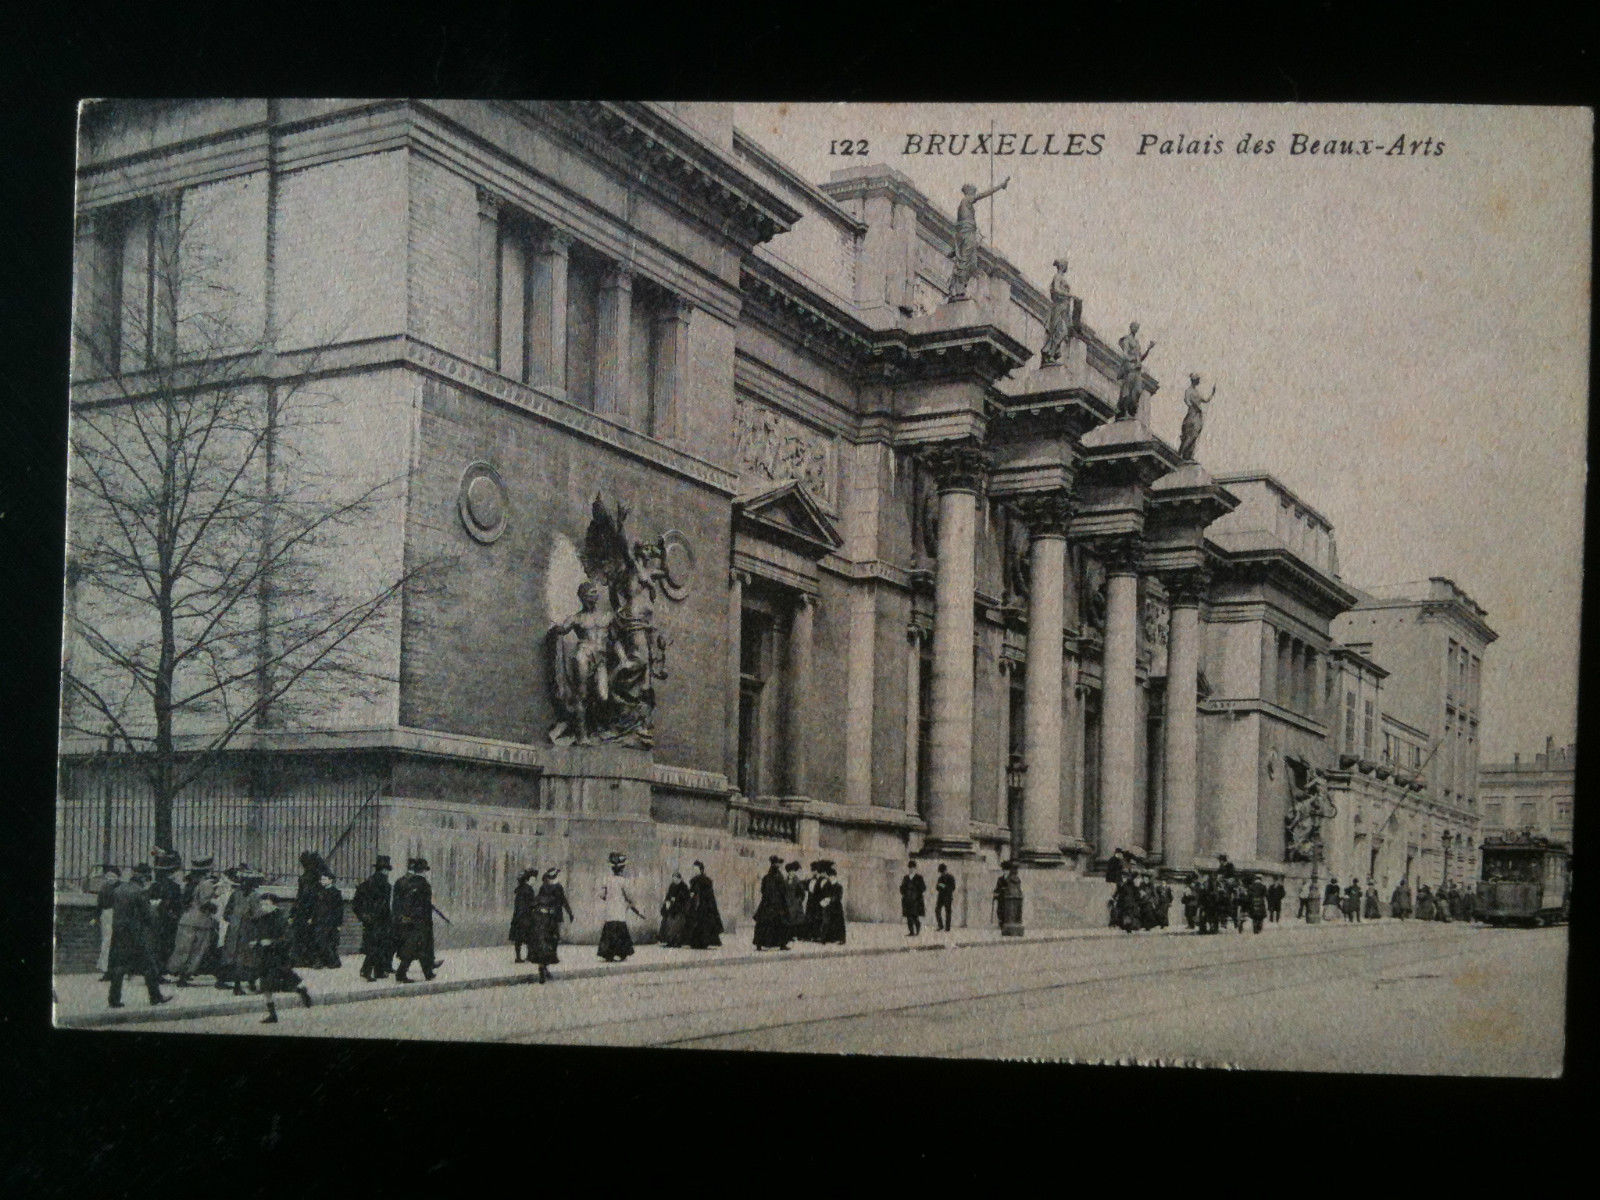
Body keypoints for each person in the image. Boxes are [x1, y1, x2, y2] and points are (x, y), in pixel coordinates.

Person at [107, 864, 170, 1009]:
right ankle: (155, 997)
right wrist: (155, 908)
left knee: (119, 967)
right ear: (143, 877)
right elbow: (149, 916)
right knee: (149, 966)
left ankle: (114, 999)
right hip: (136, 934)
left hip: (119, 932)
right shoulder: (140, 892)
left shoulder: (118, 890)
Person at [251, 890, 312, 1024]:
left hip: (279, 957)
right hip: (265, 957)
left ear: (275, 905)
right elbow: (260, 935)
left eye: (266, 904)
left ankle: (301, 990)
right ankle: (272, 1015)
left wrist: (271, 942)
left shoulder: (280, 919)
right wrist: (256, 942)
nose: (263, 907)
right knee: (266, 986)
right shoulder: (261, 918)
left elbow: (288, 938)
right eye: (261, 904)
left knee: (286, 982)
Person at [947, 177, 1009, 297]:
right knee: (967, 262)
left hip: (965, 234)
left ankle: (960, 288)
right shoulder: (966, 200)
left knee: (969, 262)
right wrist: (1000, 186)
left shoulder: (962, 205)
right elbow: (984, 194)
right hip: (967, 234)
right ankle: (959, 289)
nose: (974, 195)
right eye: (973, 193)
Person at [393, 858, 441, 983]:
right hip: (421, 922)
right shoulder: (424, 885)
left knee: (419, 948)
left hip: (409, 921)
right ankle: (401, 974)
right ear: (424, 871)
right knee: (417, 948)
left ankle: (428, 973)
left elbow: (404, 903)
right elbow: (424, 906)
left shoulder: (407, 883)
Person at [352, 856, 395, 981]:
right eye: (386, 870)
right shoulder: (384, 886)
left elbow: (356, 904)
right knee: (377, 947)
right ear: (384, 871)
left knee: (376, 946)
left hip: (372, 920)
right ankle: (367, 971)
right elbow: (385, 906)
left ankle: (378, 971)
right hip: (380, 920)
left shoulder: (366, 884)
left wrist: (363, 916)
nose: (386, 873)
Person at [221, 869, 264, 995]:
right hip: (248, 929)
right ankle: (246, 984)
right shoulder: (255, 896)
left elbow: (226, 914)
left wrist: (234, 919)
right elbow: (256, 915)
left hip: (234, 929)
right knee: (249, 957)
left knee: (235, 957)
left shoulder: (235, 894)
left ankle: (239, 984)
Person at [529, 867, 573, 983]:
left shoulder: (543, 888)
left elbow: (536, 902)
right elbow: (563, 901)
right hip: (554, 918)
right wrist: (570, 913)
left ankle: (543, 966)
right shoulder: (558, 887)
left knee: (544, 941)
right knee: (553, 941)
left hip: (543, 919)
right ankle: (545, 966)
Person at [597, 852, 644, 962]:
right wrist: (631, 904)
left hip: (609, 910)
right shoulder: (624, 881)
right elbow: (629, 896)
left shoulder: (606, 879)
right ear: (622, 869)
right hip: (619, 910)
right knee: (620, 929)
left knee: (609, 929)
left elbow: (601, 894)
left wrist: (609, 899)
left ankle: (608, 953)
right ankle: (621, 953)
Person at [289, 851, 330, 968]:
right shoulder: (306, 877)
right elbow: (300, 895)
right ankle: (307, 959)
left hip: (313, 908)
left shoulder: (317, 877)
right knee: (305, 934)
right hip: (305, 908)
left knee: (313, 934)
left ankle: (314, 959)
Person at [753, 855, 792, 950]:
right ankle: (782, 944)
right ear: (777, 864)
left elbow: (762, 890)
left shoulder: (766, 877)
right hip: (777, 905)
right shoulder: (779, 876)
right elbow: (783, 890)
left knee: (763, 923)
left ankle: (759, 944)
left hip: (766, 904)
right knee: (780, 923)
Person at [685, 860, 723, 949]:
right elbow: (692, 891)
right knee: (695, 924)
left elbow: (708, 894)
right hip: (695, 905)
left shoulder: (706, 881)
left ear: (701, 870)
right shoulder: (693, 881)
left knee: (703, 924)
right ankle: (695, 942)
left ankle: (703, 942)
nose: (694, 870)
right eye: (693, 869)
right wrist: (691, 895)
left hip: (704, 906)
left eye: (696, 869)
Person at [94, 865, 121, 980]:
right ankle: (106, 970)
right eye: (108, 876)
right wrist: (95, 917)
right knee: (106, 942)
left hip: (119, 915)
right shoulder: (103, 888)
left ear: (118, 877)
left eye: (113, 876)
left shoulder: (121, 888)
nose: (110, 879)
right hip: (106, 916)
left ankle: (119, 970)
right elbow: (99, 904)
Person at [312, 873, 344, 968]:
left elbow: (339, 910)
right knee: (319, 940)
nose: (322, 881)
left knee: (329, 942)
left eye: (324, 879)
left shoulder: (336, 892)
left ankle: (332, 962)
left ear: (330, 880)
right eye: (321, 880)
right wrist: (313, 918)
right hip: (319, 920)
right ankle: (320, 962)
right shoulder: (319, 892)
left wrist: (338, 924)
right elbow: (316, 907)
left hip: (330, 921)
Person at [510, 867, 539, 963]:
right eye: (534, 879)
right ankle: (529, 956)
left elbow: (520, 904)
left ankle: (518, 957)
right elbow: (531, 903)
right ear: (529, 879)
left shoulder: (520, 889)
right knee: (530, 937)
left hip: (518, 916)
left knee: (519, 939)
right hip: (526, 917)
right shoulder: (528, 890)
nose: (535, 881)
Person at [659, 870, 690, 948]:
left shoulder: (684, 886)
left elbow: (686, 898)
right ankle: (670, 941)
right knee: (669, 925)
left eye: (676, 879)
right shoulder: (672, 886)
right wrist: (667, 902)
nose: (675, 880)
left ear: (680, 879)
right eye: (673, 879)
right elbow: (668, 895)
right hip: (671, 909)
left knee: (677, 927)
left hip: (680, 910)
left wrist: (676, 899)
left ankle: (677, 942)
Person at [817, 863, 847, 944]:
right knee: (826, 922)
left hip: (836, 907)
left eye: (832, 876)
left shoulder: (839, 886)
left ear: (835, 877)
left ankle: (842, 939)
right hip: (828, 907)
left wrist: (830, 899)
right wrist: (823, 900)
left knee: (839, 923)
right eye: (829, 877)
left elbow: (838, 897)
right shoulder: (827, 885)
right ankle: (825, 939)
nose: (831, 878)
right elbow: (822, 894)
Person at [899, 860, 927, 937]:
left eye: (913, 868)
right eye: (910, 868)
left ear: (915, 868)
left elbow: (923, 888)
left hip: (916, 900)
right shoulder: (906, 878)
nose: (911, 869)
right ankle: (911, 932)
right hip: (907, 900)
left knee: (915, 916)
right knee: (909, 917)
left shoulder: (919, 877)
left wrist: (917, 891)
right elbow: (902, 888)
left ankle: (917, 930)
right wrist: (904, 892)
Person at [784, 861, 808, 941]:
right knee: (789, 919)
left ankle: (799, 936)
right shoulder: (785, 881)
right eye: (790, 871)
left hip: (796, 903)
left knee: (798, 920)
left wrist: (799, 900)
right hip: (787, 902)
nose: (792, 873)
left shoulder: (797, 881)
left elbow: (802, 892)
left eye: (793, 871)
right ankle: (789, 936)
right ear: (788, 872)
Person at [934, 863, 956, 932]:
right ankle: (940, 925)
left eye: (942, 872)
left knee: (948, 912)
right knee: (937, 910)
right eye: (941, 872)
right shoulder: (940, 878)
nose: (941, 874)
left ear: (945, 870)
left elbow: (952, 888)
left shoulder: (951, 877)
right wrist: (944, 886)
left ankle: (947, 928)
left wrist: (943, 886)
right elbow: (937, 887)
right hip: (940, 897)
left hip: (948, 897)